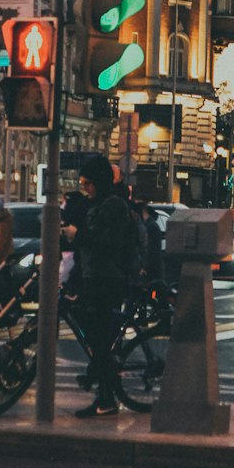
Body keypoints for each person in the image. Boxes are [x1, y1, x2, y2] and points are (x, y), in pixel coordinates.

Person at [65, 154, 136, 418]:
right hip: (93, 276)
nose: (85, 187)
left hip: (109, 279)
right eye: (83, 182)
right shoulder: (95, 203)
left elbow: (110, 243)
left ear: (100, 182)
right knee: (95, 337)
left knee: (100, 339)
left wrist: (79, 235)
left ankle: (105, 397)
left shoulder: (114, 205)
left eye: (88, 183)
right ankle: (102, 387)